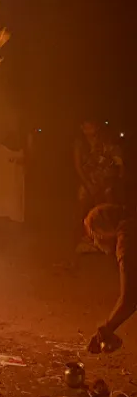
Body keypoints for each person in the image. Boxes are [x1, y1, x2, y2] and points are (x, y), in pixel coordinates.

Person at [85, 203, 137, 353]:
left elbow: (129, 299)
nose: (96, 243)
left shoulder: (127, 242)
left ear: (102, 230)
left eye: (94, 236)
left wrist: (106, 329)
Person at [73, 120, 123, 253]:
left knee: (104, 210)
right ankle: (84, 239)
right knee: (83, 208)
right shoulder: (80, 144)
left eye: (91, 125)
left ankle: (105, 242)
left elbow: (116, 161)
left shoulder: (103, 142)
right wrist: (88, 184)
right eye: (85, 126)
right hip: (87, 181)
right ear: (82, 127)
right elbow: (78, 166)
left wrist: (112, 177)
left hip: (103, 182)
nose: (88, 129)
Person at [0, 129, 26, 253]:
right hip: (4, 192)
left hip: (11, 192)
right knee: (5, 220)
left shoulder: (12, 154)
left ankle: (10, 249)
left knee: (10, 220)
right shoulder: (2, 152)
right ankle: (5, 249)